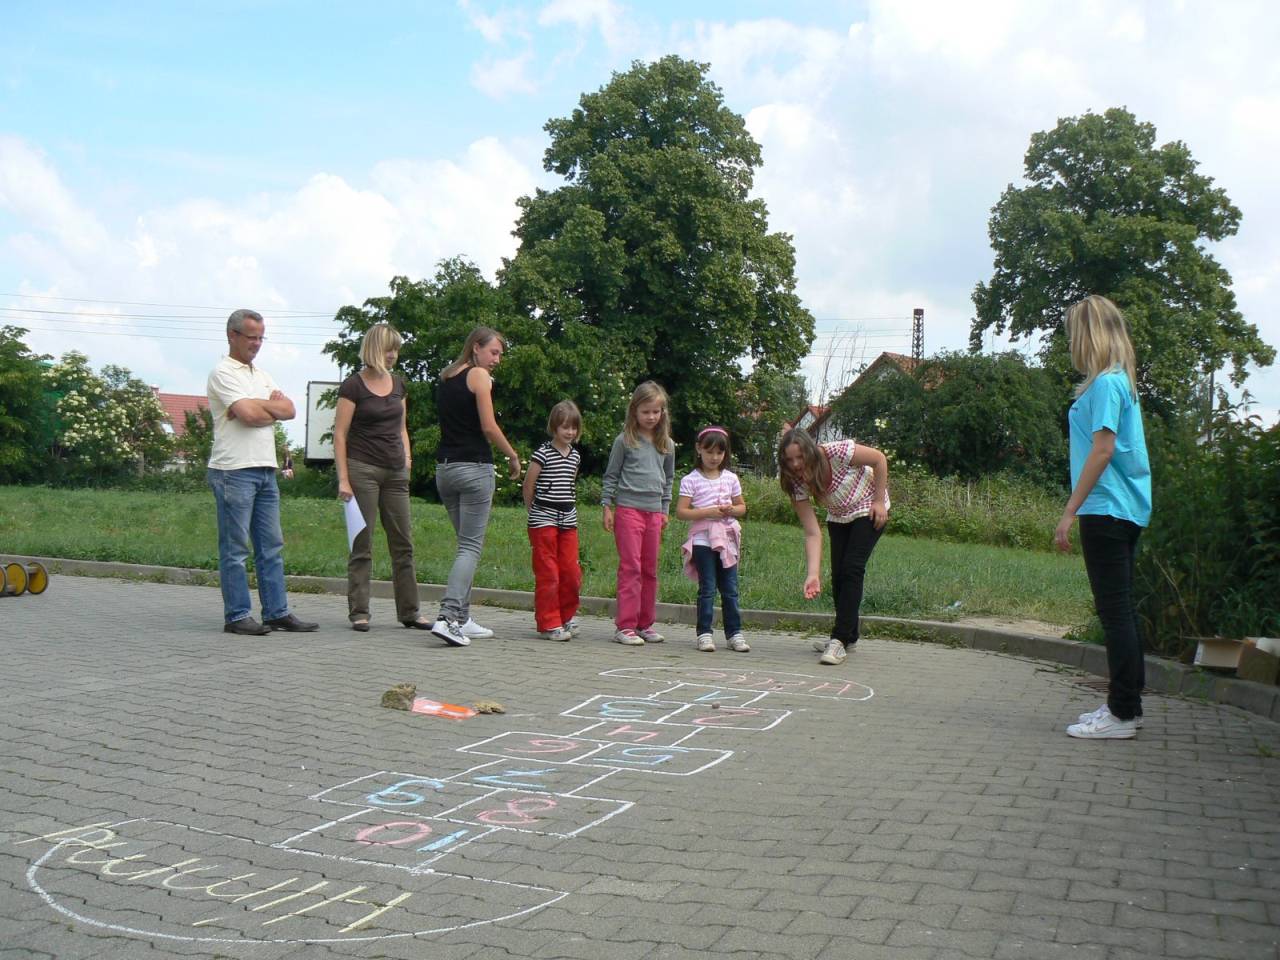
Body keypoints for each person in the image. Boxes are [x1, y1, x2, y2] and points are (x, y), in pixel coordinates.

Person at [1055, 295, 1152, 740]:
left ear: (1088, 335)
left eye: (1073, 332)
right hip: (1120, 508)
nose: (1069, 341)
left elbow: (1103, 448)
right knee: (1120, 612)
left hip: (1107, 508)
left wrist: (1069, 510)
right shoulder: (1113, 383)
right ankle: (1124, 705)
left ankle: (1122, 714)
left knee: (1114, 613)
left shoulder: (1108, 385)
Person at [206, 308, 318, 636]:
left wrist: (261, 407)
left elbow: (290, 410)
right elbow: (248, 415)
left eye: (260, 337)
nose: (257, 343)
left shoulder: (262, 375)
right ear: (232, 336)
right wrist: (266, 409)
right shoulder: (222, 373)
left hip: (266, 470)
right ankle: (238, 615)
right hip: (234, 470)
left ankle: (276, 611)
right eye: (251, 337)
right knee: (236, 547)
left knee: (271, 545)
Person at [333, 323, 430, 633]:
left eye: (397, 349)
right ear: (375, 349)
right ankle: (359, 612)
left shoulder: (398, 384)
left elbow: (402, 428)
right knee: (362, 544)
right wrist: (343, 479)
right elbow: (340, 434)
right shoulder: (353, 386)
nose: (394, 355)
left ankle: (410, 612)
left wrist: (408, 460)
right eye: (389, 348)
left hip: (395, 472)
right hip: (362, 469)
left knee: (403, 544)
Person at [431, 327, 522, 647]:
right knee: (470, 547)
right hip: (474, 469)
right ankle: (447, 617)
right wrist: (513, 455)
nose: (497, 359)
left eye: (499, 354)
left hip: (445, 470)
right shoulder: (479, 376)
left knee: (463, 547)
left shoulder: (447, 376)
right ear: (476, 348)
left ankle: (462, 618)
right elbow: (488, 426)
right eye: (493, 352)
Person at [778, 427, 888, 665]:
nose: (796, 464)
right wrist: (813, 574)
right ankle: (851, 636)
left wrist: (879, 501)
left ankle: (838, 640)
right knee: (838, 576)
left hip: (868, 507)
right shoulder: (795, 483)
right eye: (790, 460)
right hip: (839, 516)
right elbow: (812, 532)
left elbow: (879, 459)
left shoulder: (837, 452)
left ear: (810, 451)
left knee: (852, 569)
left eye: (800, 457)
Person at [602, 381, 675, 646]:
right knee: (630, 568)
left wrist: (665, 509)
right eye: (646, 412)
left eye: (656, 412)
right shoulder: (624, 441)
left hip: (654, 512)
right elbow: (611, 475)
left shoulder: (666, 444)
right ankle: (625, 626)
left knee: (650, 570)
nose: (651, 417)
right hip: (628, 510)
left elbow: (668, 479)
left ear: (662, 413)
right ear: (635, 411)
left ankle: (645, 624)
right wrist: (607, 506)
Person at [677, 426, 747, 653]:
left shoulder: (731, 478)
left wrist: (730, 510)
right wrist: (707, 512)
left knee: (730, 588)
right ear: (699, 449)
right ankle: (704, 633)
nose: (714, 457)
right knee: (707, 587)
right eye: (710, 452)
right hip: (702, 539)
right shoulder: (691, 479)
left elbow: (742, 507)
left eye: (720, 453)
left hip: (726, 539)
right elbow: (682, 512)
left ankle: (734, 633)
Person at [523, 400, 584, 642]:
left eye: (573, 428)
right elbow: (529, 485)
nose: (569, 432)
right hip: (543, 517)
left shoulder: (575, 456)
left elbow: (570, 484)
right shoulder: (543, 453)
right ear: (554, 428)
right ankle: (549, 622)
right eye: (564, 427)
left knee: (571, 571)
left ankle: (567, 615)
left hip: (568, 516)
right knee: (549, 572)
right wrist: (533, 512)